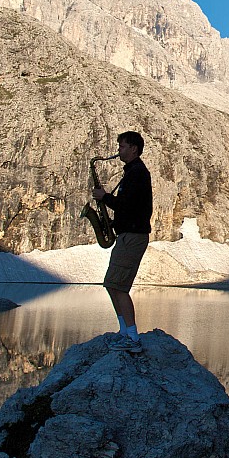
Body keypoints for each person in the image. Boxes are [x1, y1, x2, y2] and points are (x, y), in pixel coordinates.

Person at [93, 130, 152, 353]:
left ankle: (133, 339)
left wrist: (105, 198)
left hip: (133, 236)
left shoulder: (138, 173)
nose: (118, 151)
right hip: (127, 234)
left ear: (134, 149)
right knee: (111, 284)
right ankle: (124, 331)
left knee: (119, 286)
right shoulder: (132, 172)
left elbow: (128, 206)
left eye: (122, 147)